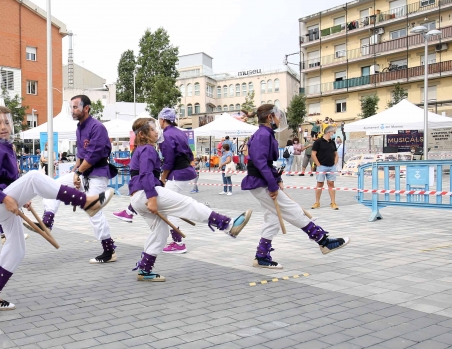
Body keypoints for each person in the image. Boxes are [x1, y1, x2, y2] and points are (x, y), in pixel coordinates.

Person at [0, 106, 113, 309]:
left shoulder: (7, 148)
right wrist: (6, 198)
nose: (3, 127)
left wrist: (20, 197)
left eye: (6, 122)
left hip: (5, 203)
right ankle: (86, 201)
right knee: (34, 177)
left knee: (17, 249)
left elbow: (9, 180)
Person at [128, 117, 252, 282]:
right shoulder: (148, 149)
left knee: (161, 231)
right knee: (188, 204)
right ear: (143, 134)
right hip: (147, 193)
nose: (156, 131)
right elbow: (145, 174)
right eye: (152, 129)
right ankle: (228, 225)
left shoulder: (139, 149)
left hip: (138, 196)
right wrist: (152, 197)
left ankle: (144, 269)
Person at [241, 104, 349, 269]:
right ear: (270, 117)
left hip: (262, 180)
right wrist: (272, 185)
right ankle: (323, 241)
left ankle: (261, 256)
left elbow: (265, 163)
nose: (279, 119)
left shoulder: (265, 134)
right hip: (260, 182)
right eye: (277, 116)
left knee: (273, 218)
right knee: (292, 210)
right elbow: (260, 162)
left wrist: (276, 179)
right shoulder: (263, 134)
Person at [38, 95, 117, 264]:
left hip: (97, 175)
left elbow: (93, 155)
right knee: (53, 185)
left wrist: (79, 173)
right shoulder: (79, 128)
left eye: (75, 107)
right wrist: (74, 172)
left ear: (86, 108)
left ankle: (109, 250)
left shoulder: (98, 127)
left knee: (93, 210)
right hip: (83, 172)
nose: (72, 111)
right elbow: (81, 157)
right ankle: (47, 221)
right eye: (71, 108)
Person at [158, 108, 199, 254]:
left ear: (162, 120)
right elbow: (189, 153)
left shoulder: (166, 135)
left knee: (168, 207)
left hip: (177, 173)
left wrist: (163, 178)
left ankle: (178, 242)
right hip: (184, 171)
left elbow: (169, 161)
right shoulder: (180, 132)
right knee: (171, 206)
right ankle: (174, 239)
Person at [312, 126, 340, 210]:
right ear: (329, 132)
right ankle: (317, 202)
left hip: (331, 167)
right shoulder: (318, 142)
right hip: (322, 166)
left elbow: (336, 154)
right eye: (333, 132)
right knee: (319, 183)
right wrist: (318, 164)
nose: (334, 134)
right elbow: (313, 154)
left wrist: (335, 163)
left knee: (331, 184)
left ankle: (333, 202)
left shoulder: (332, 142)